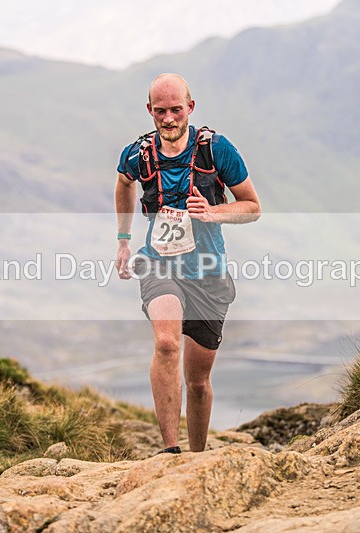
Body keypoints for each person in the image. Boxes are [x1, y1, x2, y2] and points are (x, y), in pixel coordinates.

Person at [115, 73, 261, 454]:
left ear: (190, 108)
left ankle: (197, 457)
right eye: (160, 111)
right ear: (150, 110)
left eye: (176, 110)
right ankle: (170, 451)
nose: (168, 119)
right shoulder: (138, 154)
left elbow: (252, 206)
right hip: (159, 264)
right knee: (166, 343)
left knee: (198, 382)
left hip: (209, 273)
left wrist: (213, 212)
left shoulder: (217, 150)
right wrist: (124, 240)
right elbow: (124, 183)